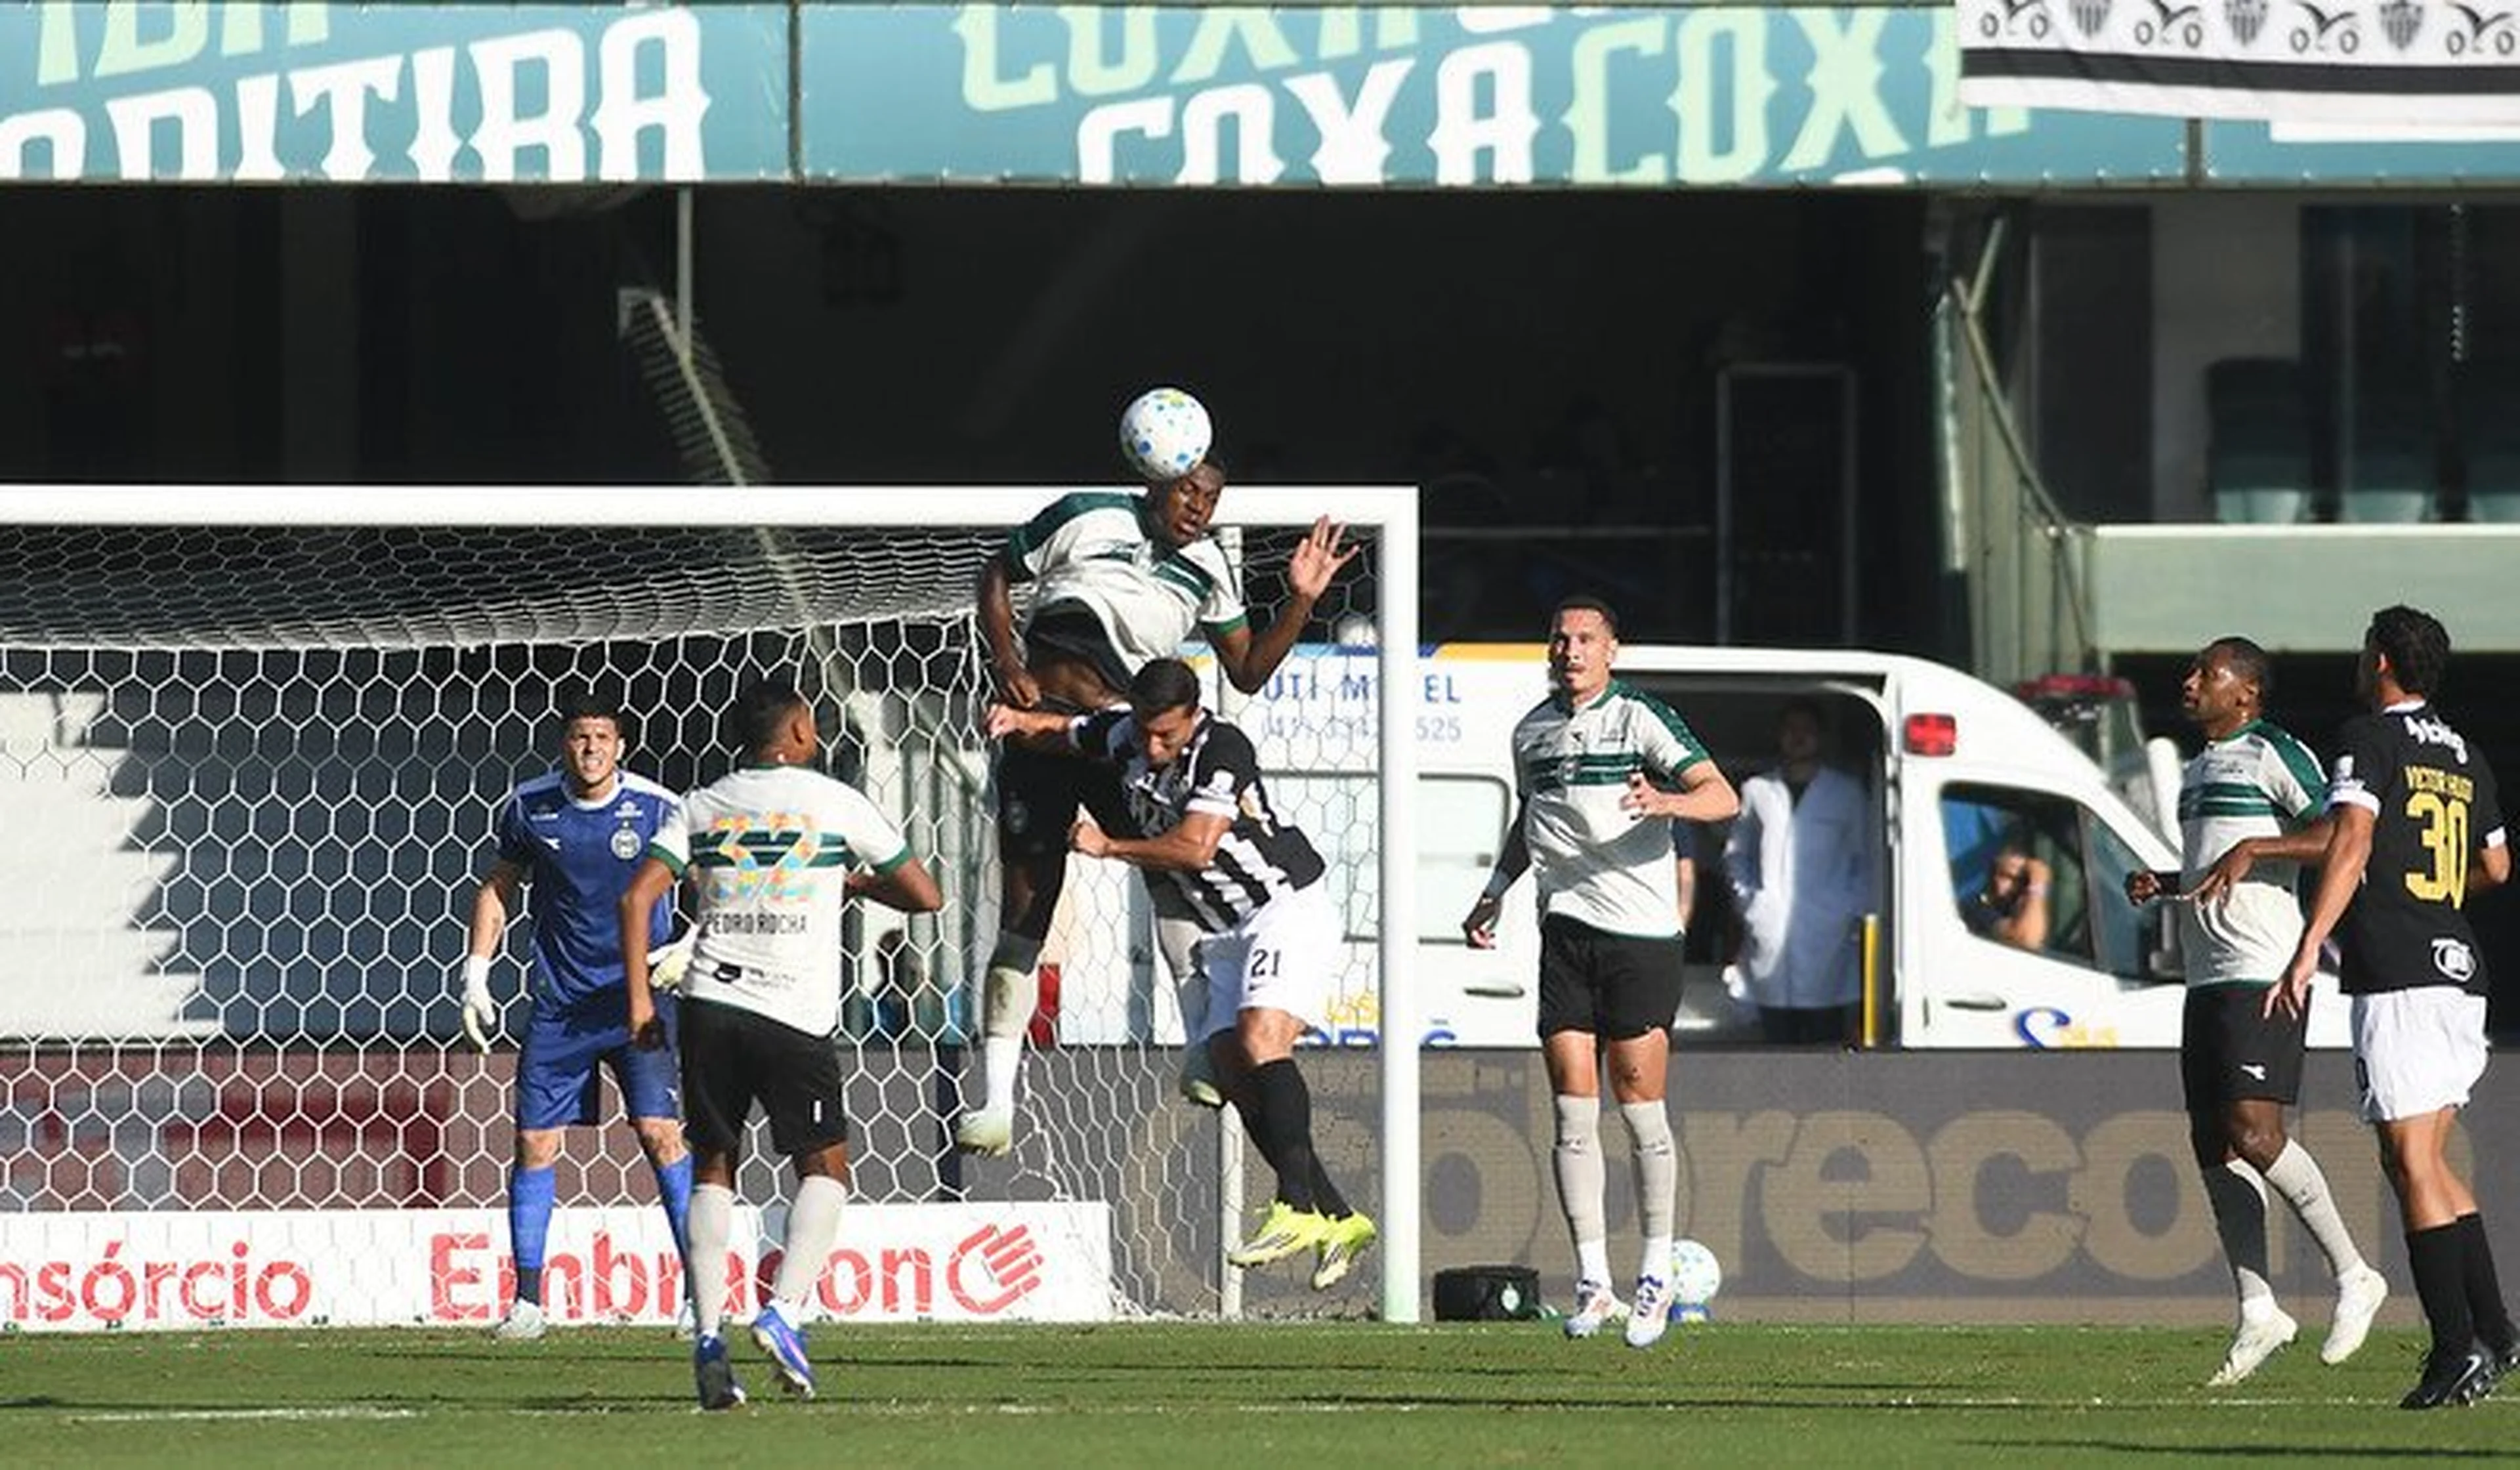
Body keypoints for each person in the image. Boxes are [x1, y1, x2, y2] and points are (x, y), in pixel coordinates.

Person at [959, 457, 1358, 1157]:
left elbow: (1247, 670)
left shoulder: (1207, 564)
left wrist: (1300, 599)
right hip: (1044, 734)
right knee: (1027, 907)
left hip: (1125, 740)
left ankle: (1203, 1044)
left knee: (1175, 881)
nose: (1199, 507)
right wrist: (1007, 660)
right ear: (1155, 480)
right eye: (1188, 491)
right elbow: (996, 570)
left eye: (1211, 497)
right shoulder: (1085, 512)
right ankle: (996, 1101)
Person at [987, 658, 1379, 1291]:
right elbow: (1069, 733)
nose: (1152, 745)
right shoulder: (1127, 735)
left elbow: (1196, 846)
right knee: (1232, 1068)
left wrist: (1108, 846)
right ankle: (1338, 1214)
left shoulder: (1222, 748)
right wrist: (1017, 722)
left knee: (1260, 1040)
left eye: (1166, 734)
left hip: (1283, 908)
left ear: (1192, 717)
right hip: (1223, 931)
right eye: (1144, 731)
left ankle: (1298, 1206)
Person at [620, 678, 942, 1410]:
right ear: (797, 731)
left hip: (708, 1005)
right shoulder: (834, 802)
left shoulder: (700, 803)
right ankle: (785, 1311)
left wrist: (641, 996)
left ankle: (708, 1335)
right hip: (793, 1013)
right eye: (813, 722)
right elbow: (926, 894)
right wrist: (850, 881)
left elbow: (637, 895)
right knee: (825, 1166)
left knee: (712, 1164)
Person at [2225, 606, 2513, 1410]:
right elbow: (2495, 861)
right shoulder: (2465, 751)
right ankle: (2497, 1330)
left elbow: (2350, 839)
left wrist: (2315, 936)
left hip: (2401, 976)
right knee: (2422, 1161)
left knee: (2411, 1162)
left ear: (2380, 659)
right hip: (2460, 971)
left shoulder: (2370, 736)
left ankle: (2454, 1350)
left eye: (2364, 651)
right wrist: (2436, 898)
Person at [1461, 595, 1739, 1349]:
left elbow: (1723, 794)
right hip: (1566, 933)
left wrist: (1665, 798)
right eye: (1559, 637)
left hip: (1641, 937)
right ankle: (1595, 1280)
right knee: (1571, 1109)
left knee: (1639, 1105)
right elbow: (1533, 819)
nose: (1570, 649)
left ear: (1613, 649)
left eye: (1585, 638)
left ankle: (1655, 1271)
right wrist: (1494, 891)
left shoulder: (1640, 717)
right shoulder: (1532, 730)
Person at [2123, 636, 2387, 1386]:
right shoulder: (2199, 767)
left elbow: (2340, 835)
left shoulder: (2275, 749)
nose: (2191, 679)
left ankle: (2354, 1270)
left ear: (2246, 691)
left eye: (2208, 670)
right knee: (2213, 1138)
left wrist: (2258, 848)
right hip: (2205, 974)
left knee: (2254, 1128)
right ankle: (2259, 1306)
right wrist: (2169, 880)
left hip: (2260, 969)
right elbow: (2222, 864)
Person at [459, 689, 694, 1343]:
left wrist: (691, 942)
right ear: (564, 742)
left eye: (602, 737)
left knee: (660, 1135)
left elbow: (711, 881)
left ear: (621, 745)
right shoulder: (528, 804)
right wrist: (476, 973)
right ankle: (528, 1302)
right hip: (561, 1004)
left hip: (637, 999)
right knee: (534, 1143)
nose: (591, 748)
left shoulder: (658, 807)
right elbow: (497, 886)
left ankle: (700, 1295)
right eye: (579, 736)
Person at [1721, 700, 1874, 1045]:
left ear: (1821, 737)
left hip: (1829, 936)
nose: (1799, 737)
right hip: (1769, 929)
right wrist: (1751, 903)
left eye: (1807, 730)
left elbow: (1865, 859)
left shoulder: (1846, 792)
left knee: (1825, 1042)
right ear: (1779, 736)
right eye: (1791, 729)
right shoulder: (1758, 790)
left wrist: (1847, 908)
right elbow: (1737, 854)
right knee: (1775, 1044)